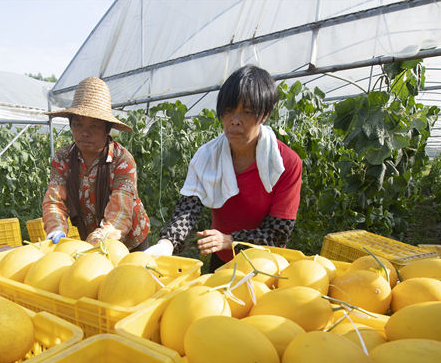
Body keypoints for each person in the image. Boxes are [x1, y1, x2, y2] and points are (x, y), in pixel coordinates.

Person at [144, 65, 302, 271]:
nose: (234, 121)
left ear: (265, 114)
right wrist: (167, 243)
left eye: (247, 112)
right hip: (221, 256)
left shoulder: (286, 163)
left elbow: (277, 232)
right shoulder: (207, 156)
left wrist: (231, 240)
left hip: (264, 263)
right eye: (228, 111)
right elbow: (188, 208)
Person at [42, 76, 150, 250]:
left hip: (130, 239)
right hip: (91, 232)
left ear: (107, 129)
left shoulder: (122, 160)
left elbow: (120, 211)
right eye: (78, 124)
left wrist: (102, 236)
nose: (85, 133)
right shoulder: (63, 158)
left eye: (94, 126)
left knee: (130, 275)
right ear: (71, 126)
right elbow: (55, 200)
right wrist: (56, 227)